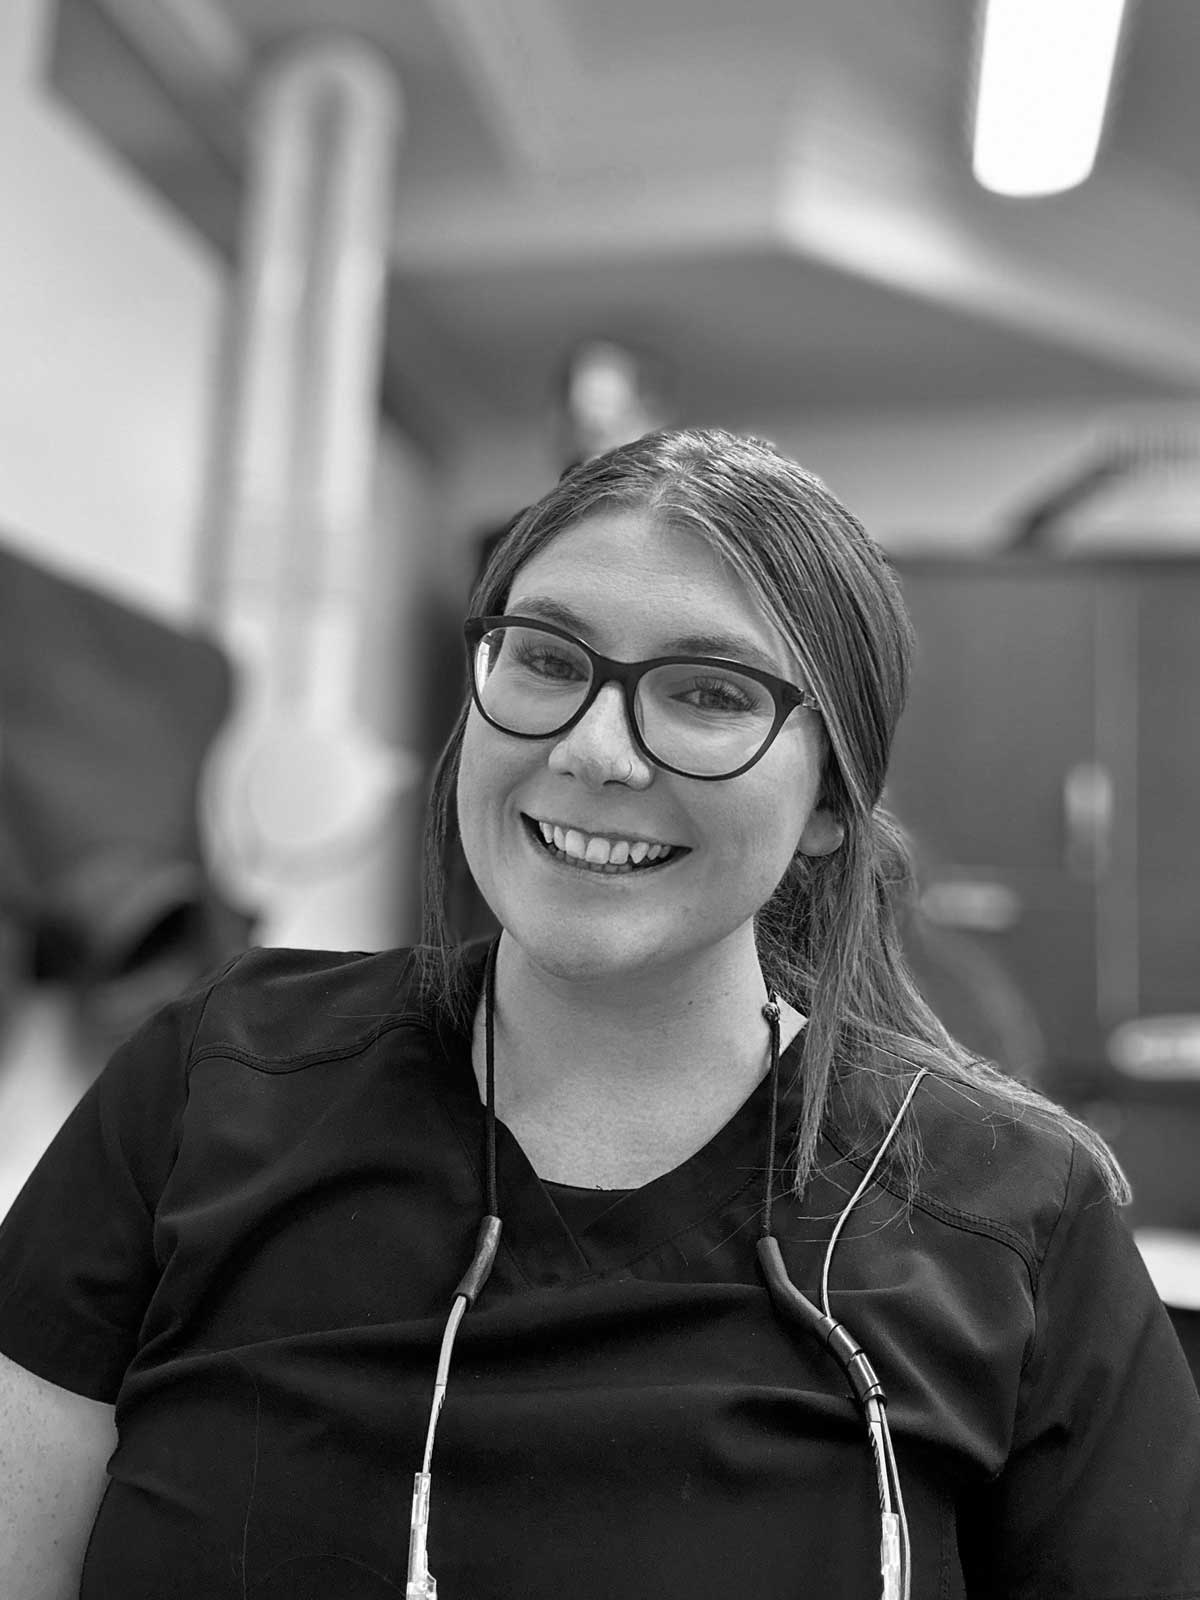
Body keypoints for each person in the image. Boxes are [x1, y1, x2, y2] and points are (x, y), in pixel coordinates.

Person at [1, 428, 1198, 1600]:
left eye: (709, 692)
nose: (596, 749)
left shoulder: (1017, 1219)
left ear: (831, 797)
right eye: (547, 659)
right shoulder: (213, 1075)